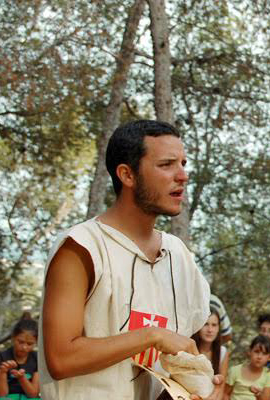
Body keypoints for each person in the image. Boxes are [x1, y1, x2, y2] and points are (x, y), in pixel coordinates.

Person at [38, 120, 222, 399]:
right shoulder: (82, 247)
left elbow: (163, 375)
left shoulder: (179, 257)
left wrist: (196, 390)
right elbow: (61, 359)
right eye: (166, 164)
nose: (182, 175)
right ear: (127, 175)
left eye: (183, 164)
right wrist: (152, 335)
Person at [225, 335, 270, 400]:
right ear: (249, 352)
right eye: (256, 352)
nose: (259, 357)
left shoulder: (269, 375)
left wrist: (258, 394)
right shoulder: (235, 370)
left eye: (264, 353)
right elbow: (225, 394)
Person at [0, 318, 40, 399]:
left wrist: (21, 378)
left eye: (29, 344)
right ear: (13, 338)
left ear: (36, 342)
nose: (24, 347)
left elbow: (33, 394)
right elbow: (2, 394)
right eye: (21, 342)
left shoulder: (37, 358)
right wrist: (2, 372)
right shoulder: (2, 357)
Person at [192, 309, 230, 378]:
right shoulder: (188, 348)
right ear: (198, 326)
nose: (210, 330)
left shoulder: (223, 352)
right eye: (205, 324)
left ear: (218, 328)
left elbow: (222, 383)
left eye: (214, 325)